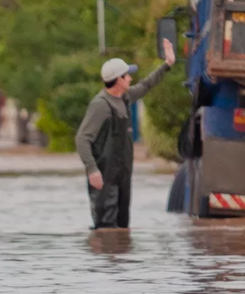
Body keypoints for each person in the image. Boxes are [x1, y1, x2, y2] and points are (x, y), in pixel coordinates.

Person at [74, 38, 176, 230]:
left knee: (122, 231)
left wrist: (167, 64)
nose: (131, 78)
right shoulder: (100, 105)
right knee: (106, 230)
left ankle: (121, 259)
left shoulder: (126, 97)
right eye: (127, 76)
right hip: (105, 177)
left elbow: (147, 84)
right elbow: (82, 138)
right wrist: (92, 169)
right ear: (119, 80)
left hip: (123, 176)